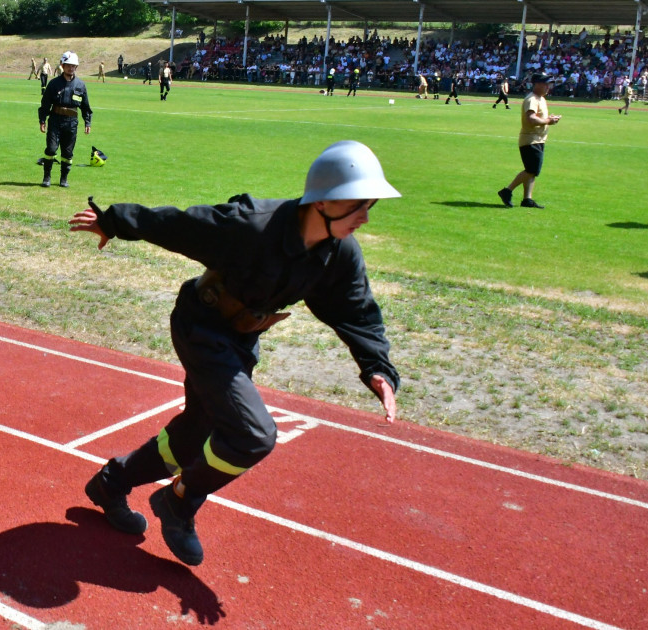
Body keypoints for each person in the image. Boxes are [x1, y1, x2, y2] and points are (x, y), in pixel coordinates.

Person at [68, 140, 401, 566]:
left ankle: (111, 483)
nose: (365, 217)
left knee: (195, 434)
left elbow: (357, 310)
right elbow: (179, 225)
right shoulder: (252, 226)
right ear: (326, 201)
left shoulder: (339, 255)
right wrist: (112, 221)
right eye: (359, 204)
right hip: (200, 327)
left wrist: (377, 369)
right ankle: (179, 501)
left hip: (240, 341)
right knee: (253, 434)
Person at [498, 74, 561, 209]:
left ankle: (527, 199)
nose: (548, 87)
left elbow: (538, 118)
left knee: (531, 171)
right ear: (537, 84)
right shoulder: (532, 99)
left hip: (537, 139)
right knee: (532, 170)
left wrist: (549, 118)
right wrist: (549, 121)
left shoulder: (540, 99)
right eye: (546, 84)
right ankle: (507, 191)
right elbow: (531, 119)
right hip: (530, 139)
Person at [38, 51, 92, 188]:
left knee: (67, 152)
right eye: (68, 65)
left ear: (76, 67)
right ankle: (47, 177)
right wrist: (42, 120)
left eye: (73, 65)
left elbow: (85, 106)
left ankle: (64, 178)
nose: (71, 68)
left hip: (71, 122)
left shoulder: (80, 85)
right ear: (62, 65)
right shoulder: (54, 83)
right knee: (51, 149)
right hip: (55, 119)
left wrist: (88, 122)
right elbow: (45, 103)